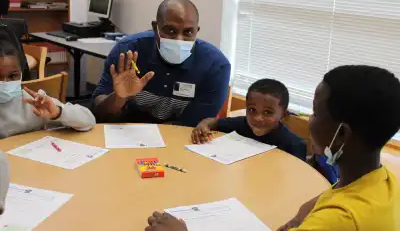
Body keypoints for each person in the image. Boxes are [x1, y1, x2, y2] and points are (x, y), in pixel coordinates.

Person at [144, 65, 400, 231]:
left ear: (341, 134)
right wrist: (304, 214)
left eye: (315, 113)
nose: (309, 120)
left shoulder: (339, 220)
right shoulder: (383, 181)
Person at [92, 0, 231, 127]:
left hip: (180, 142)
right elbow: (98, 112)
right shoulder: (126, 52)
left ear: (197, 31)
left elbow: (194, 127)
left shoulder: (216, 66)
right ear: (155, 28)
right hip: (126, 135)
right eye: (170, 30)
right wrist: (117, 99)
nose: (179, 40)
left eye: (188, 32)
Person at [192, 79, 307, 161]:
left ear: (283, 115)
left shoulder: (294, 145)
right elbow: (213, 122)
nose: (258, 118)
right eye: (252, 110)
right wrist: (203, 126)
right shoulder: (241, 125)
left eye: (268, 112)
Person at [0, 40, 96, 138]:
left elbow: (89, 120)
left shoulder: (34, 102)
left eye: (12, 76)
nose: (5, 82)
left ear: (21, 73)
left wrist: (59, 113)